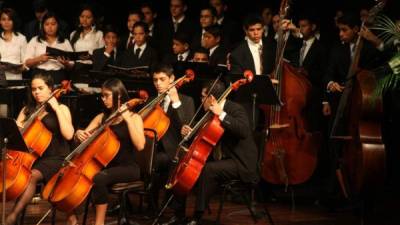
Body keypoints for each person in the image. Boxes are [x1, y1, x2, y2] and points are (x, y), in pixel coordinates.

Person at [163, 80, 259, 225]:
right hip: (222, 159)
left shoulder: (235, 109)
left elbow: (244, 131)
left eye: (203, 97)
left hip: (241, 162)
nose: (201, 101)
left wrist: (222, 115)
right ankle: (178, 213)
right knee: (184, 165)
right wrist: (188, 131)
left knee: (208, 169)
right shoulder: (208, 113)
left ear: (212, 98)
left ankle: (197, 216)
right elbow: (200, 133)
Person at [71, 78, 145, 225]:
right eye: (102, 95)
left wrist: (127, 119)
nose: (103, 99)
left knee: (99, 178)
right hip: (105, 166)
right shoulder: (102, 118)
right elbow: (83, 140)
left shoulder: (134, 117)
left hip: (128, 168)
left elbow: (140, 145)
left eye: (106, 95)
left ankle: (100, 222)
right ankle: (73, 218)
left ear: (118, 95)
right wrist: (78, 134)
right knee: (78, 176)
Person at [5, 73, 74, 225]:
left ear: (50, 89)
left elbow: (69, 135)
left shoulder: (62, 108)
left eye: (41, 88)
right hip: (34, 157)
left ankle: (12, 217)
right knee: (19, 174)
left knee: (30, 177)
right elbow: (16, 136)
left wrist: (56, 108)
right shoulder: (27, 110)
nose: (36, 92)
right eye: (34, 89)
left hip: (57, 157)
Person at [150, 63, 195, 210]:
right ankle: (151, 205)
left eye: (162, 79)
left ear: (172, 79)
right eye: (155, 80)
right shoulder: (150, 101)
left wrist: (175, 101)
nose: (158, 83)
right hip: (152, 148)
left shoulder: (186, 101)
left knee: (158, 162)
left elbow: (186, 128)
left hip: (174, 150)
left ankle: (166, 207)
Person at [24, 11, 74, 84]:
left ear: (58, 25)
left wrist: (65, 63)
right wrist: (39, 59)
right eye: (47, 24)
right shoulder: (35, 40)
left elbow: (71, 66)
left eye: (53, 24)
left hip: (58, 75)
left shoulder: (64, 41)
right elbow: (27, 63)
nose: (50, 27)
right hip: (39, 75)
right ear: (42, 26)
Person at [0, 8, 27, 80]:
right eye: (3, 19)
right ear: (0, 21)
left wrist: (18, 69)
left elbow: (26, 62)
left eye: (9, 19)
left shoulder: (21, 38)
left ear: (14, 21)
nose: (6, 22)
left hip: (15, 78)